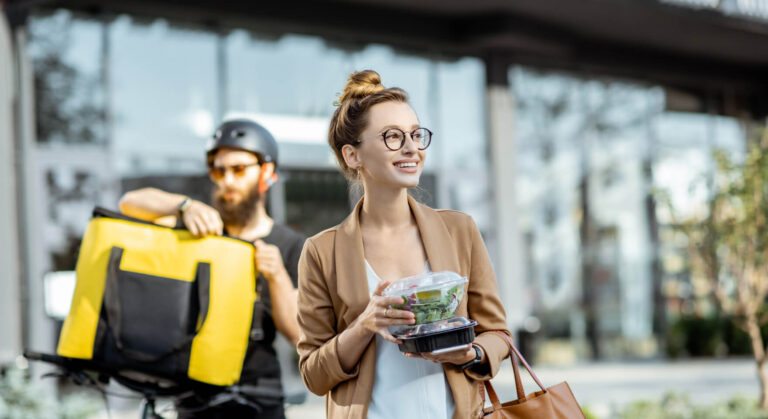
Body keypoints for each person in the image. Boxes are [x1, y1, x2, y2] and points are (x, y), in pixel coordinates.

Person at [296, 70, 511, 419]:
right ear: (353, 156)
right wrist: (364, 325)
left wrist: (470, 353)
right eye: (392, 137)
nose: (412, 148)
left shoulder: (460, 229)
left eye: (415, 135)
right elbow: (313, 375)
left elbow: (498, 333)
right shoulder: (322, 251)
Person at [118, 119, 305, 419]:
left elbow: (298, 334)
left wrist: (277, 276)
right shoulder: (199, 227)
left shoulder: (291, 244)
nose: (227, 180)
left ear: (267, 173)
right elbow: (130, 203)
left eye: (239, 169)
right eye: (219, 170)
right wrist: (183, 205)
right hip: (194, 396)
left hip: (260, 397)